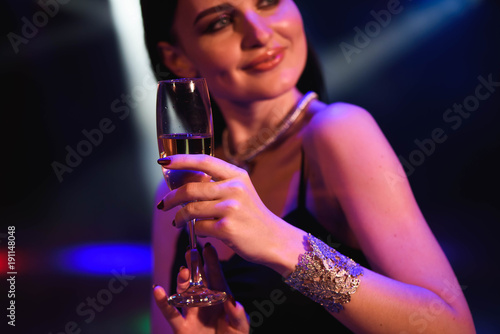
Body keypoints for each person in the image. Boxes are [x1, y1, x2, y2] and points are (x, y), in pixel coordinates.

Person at [140, 0, 476, 333]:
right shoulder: (180, 187)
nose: (259, 32)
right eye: (221, 22)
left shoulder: (339, 130)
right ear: (176, 57)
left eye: (268, 2)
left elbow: (451, 326)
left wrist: (280, 241)